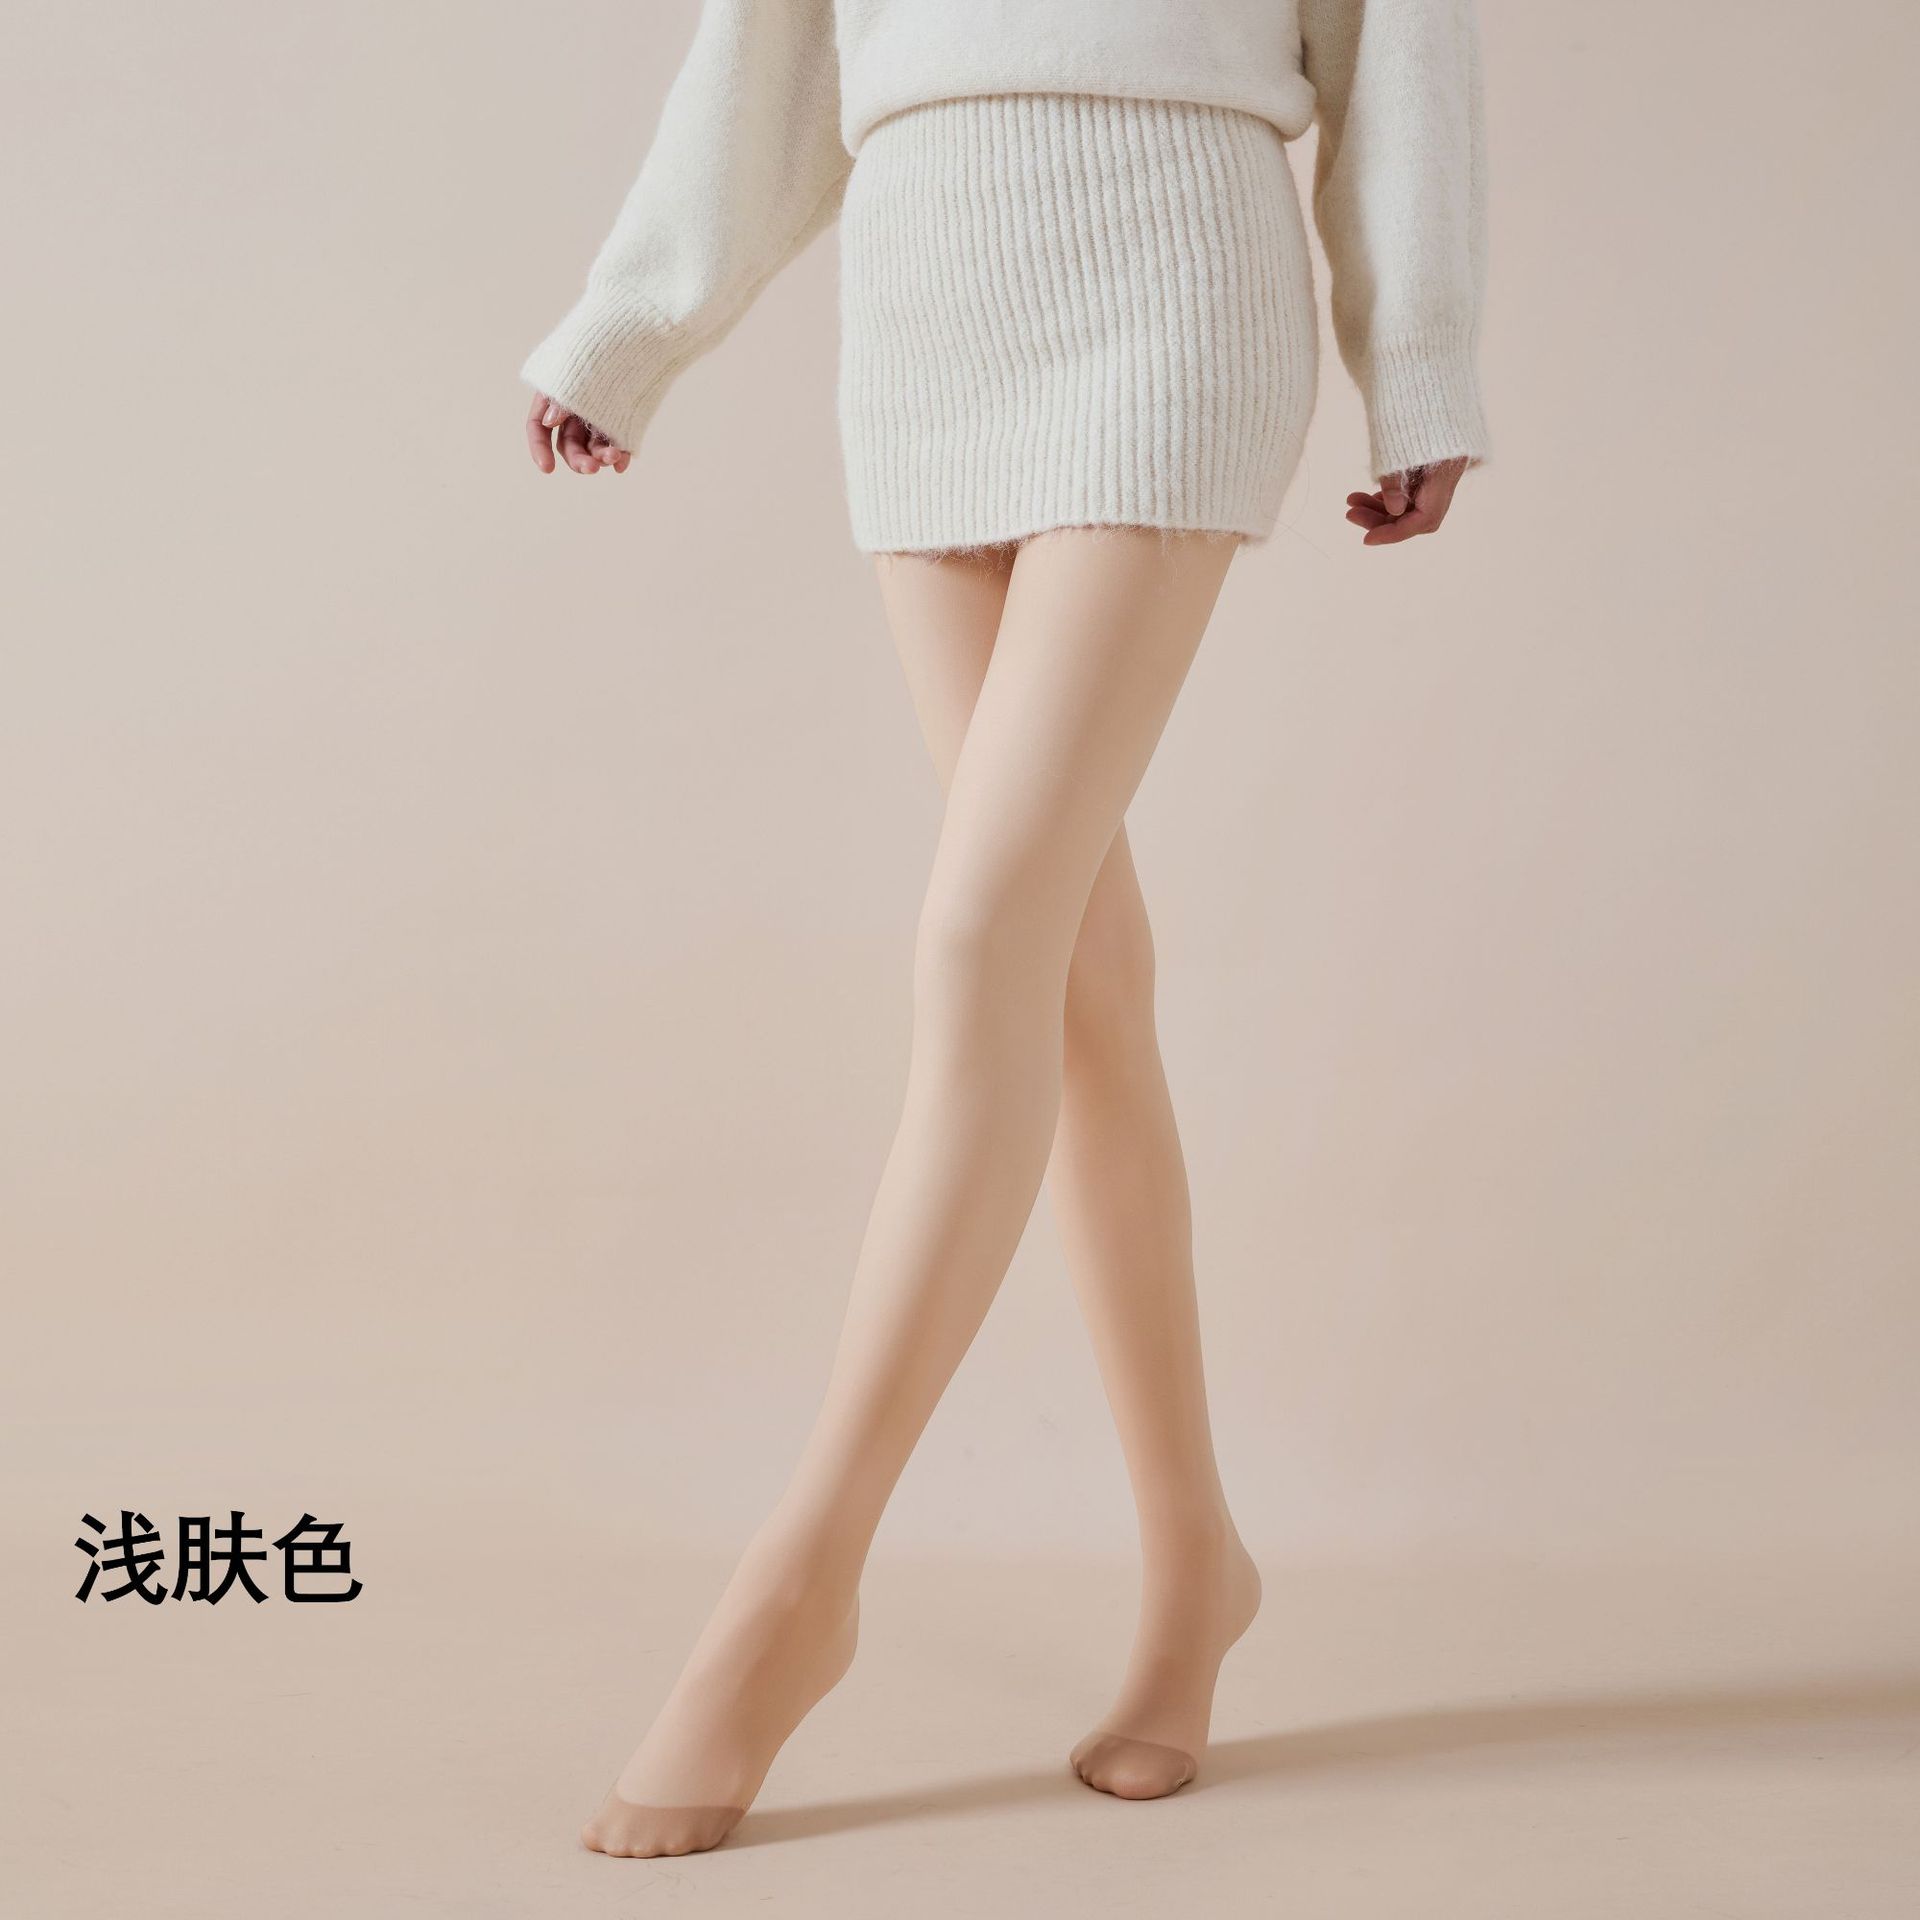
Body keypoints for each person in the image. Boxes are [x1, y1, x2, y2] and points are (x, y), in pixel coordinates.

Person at [520, 0, 1490, 1861]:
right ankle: (1197, 1561)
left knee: (982, 943)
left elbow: (1398, 53)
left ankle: (800, 1580)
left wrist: (1421, 365)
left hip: (1173, 277)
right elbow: (772, 57)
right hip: (923, 299)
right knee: (1074, 983)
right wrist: (629, 328)